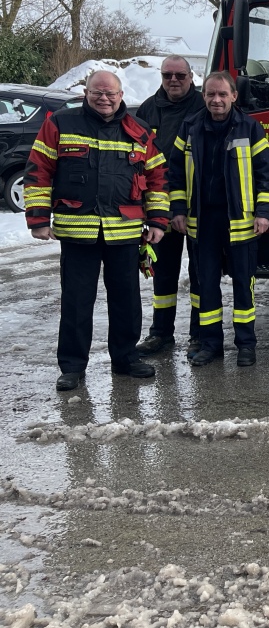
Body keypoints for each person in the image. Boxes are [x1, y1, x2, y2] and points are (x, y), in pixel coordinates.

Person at [24, 70, 167, 391]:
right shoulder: (61, 123)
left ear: (121, 95)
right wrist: (38, 219)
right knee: (76, 302)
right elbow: (38, 170)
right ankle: (73, 367)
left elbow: (157, 178)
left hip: (125, 232)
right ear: (86, 92)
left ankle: (126, 358)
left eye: (111, 94)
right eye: (97, 92)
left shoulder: (138, 130)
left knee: (127, 300)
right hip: (78, 233)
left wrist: (158, 220)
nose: (104, 98)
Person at [169, 72, 269, 368]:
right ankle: (210, 344)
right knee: (205, 285)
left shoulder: (250, 128)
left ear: (234, 96)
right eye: (210, 94)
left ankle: (246, 345)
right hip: (202, 221)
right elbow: (175, 172)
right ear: (203, 96)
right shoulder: (189, 127)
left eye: (222, 95)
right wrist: (177, 209)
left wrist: (264, 213)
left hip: (240, 220)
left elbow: (266, 174)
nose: (216, 100)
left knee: (244, 283)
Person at [134, 55, 206, 358]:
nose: (173, 81)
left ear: (191, 77)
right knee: (163, 273)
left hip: (200, 202)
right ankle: (161, 333)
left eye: (180, 75)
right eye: (167, 76)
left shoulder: (205, 106)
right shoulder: (148, 109)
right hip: (161, 204)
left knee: (202, 273)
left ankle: (200, 335)